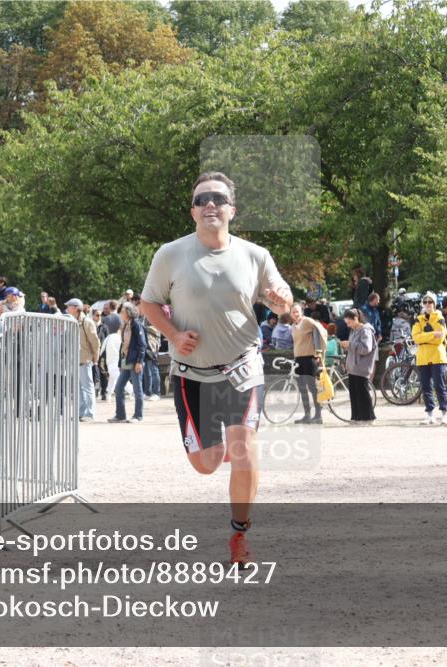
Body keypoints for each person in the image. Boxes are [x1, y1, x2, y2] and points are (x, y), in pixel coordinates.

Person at [139, 171, 292, 566]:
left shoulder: (255, 255)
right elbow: (148, 303)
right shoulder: (170, 254)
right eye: (202, 199)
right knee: (206, 464)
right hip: (192, 373)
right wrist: (174, 335)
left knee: (244, 449)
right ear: (193, 211)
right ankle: (217, 446)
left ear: (232, 210)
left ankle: (240, 536)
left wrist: (280, 301)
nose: (210, 204)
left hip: (243, 368)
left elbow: (283, 300)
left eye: (218, 199)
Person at [412, 292, 447, 425]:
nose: (427, 304)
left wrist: (424, 337)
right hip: (423, 357)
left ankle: (445, 413)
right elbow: (416, 338)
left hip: (437, 357)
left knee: (440, 386)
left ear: (435, 304)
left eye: (430, 302)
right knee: (426, 387)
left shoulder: (439, 317)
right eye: (425, 302)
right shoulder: (418, 319)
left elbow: (441, 338)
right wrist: (433, 334)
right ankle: (429, 414)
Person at [290, 303, 327, 424]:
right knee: (302, 388)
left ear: (302, 312)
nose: (295, 314)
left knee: (312, 388)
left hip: (310, 358)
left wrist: (319, 351)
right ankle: (307, 414)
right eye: (293, 312)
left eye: (297, 311)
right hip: (298, 359)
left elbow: (321, 330)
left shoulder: (307, 321)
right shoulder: (293, 326)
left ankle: (318, 415)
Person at [109, 303, 146, 423]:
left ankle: (138, 416)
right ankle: (120, 415)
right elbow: (123, 345)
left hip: (135, 362)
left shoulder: (136, 325)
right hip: (126, 361)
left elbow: (142, 345)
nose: (121, 313)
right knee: (118, 388)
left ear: (129, 312)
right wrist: (120, 363)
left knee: (137, 389)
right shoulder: (126, 325)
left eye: (123, 311)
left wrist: (139, 362)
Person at [339, 308, 378, 423]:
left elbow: (366, 348)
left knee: (362, 393)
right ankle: (356, 417)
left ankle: (368, 417)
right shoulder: (354, 330)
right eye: (347, 323)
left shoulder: (365, 330)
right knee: (354, 394)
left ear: (356, 318)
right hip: (353, 367)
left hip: (361, 367)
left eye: (349, 322)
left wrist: (350, 344)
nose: (348, 325)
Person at [66, 298, 101, 422]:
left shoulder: (87, 322)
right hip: (75, 359)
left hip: (85, 359)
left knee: (87, 387)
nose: (67, 308)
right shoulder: (72, 321)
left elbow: (95, 342)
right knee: (79, 388)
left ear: (76, 308)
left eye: (69, 306)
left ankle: (90, 414)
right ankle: (81, 413)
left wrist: (95, 359)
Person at [141, 312, 163, 401]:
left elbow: (156, 329)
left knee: (154, 370)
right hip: (145, 344)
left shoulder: (153, 313)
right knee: (146, 371)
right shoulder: (144, 316)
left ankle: (156, 393)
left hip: (152, 345)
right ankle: (148, 392)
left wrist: (142, 328)